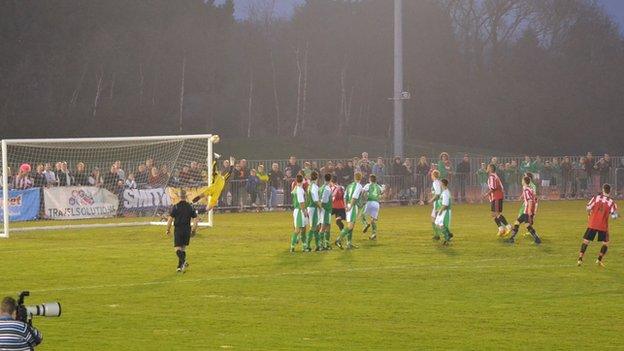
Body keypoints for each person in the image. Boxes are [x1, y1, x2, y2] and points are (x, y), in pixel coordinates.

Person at [577, 184, 618, 268]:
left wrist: (589, 213)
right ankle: (599, 260)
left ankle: (580, 259)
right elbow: (614, 217)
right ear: (610, 191)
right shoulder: (612, 202)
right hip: (603, 225)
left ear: (603, 190)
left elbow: (588, 207)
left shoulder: (596, 198)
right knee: (606, 243)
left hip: (593, 223)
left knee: (586, 241)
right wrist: (616, 212)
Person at [165, 190, 199, 273]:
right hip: (187, 229)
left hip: (178, 229)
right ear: (186, 196)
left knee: (177, 248)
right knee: (183, 249)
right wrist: (194, 229)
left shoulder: (176, 207)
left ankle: (184, 261)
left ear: (179, 197)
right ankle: (179, 267)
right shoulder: (189, 206)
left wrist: (167, 229)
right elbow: (195, 218)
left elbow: (170, 219)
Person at [506, 176, 542, 244]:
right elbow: (534, 198)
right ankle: (536, 239)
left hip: (527, 211)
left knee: (523, 224)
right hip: (528, 211)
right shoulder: (529, 189)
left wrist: (529, 211)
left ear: (524, 182)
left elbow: (530, 200)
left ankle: (512, 239)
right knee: (522, 224)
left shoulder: (526, 190)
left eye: (522, 180)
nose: (521, 181)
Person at [335, 172, 363, 249]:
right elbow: (354, 197)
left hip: (348, 205)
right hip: (352, 206)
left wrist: (345, 206)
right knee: (350, 226)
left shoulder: (349, 186)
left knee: (351, 225)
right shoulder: (359, 186)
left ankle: (349, 243)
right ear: (361, 178)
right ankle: (338, 240)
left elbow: (345, 197)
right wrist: (351, 206)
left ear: (354, 178)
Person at [483, 164, 511, 237]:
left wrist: (486, 194)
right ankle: (501, 229)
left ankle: (508, 227)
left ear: (491, 169)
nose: (487, 168)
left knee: (497, 214)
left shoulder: (492, 176)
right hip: (496, 196)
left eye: (488, 167)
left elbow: (493, 188)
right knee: (493, 214)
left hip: (496, 196)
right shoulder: (494, 176)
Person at [361, 174, 384, 240]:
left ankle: (365, 224)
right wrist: (379, 196)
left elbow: (363, 192)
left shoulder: (368, 185)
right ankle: (374, 234)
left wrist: (363, 199)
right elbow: (382, 193)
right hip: (376, 203)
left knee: (362, 215)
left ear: (370, 179)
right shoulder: (379, 186)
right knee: (373, 219)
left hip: (369, 202)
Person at [289, 174, 308, 252]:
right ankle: (292, 247)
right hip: (300, 211)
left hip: (297, 210)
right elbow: (301, 202)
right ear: (302, 180)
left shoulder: (296, 188)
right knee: (298, 230)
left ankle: (304, 246)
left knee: (303, 229)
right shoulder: (299, 189)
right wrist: (304, 211)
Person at [304, 171, 321, 252]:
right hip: (313, 208)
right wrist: (321, 207)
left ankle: (318, 245)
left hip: (311, 208)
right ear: (317, 177)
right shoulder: (314, 187)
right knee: (313, 227)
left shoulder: (310, 186)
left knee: (316, 226)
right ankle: (307, 246)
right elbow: (316, 199)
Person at [434, 178, 453, 245]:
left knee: (441, 225)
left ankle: (447, 237)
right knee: (437, 223)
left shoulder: (445, 193)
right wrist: (439, 210)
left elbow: (445, 204)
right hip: (443, 210)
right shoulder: (444, 191)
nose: (439, 184)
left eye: (440, 183)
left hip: (445, 211)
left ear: (443, 184)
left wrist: (440, 211)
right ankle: (448, 234)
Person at [318, 173, 333, 250]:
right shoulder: (327, 188)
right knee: (323, 227)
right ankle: (321, 245)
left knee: (328, 226)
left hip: (324, 209)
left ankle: (327, 244)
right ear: (330, 179)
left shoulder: (321, 188)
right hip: (326, 209)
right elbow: (324, 200)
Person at [429, 170, 443, 241]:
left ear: (433, 175)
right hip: (437, 203)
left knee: (437, 221)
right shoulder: (438, 182)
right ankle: (437, 235)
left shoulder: (435, 182)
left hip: (438, 203)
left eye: (431, 175)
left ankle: (446, 234)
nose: (431, 176)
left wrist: (431, 200)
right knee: (433, 219)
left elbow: (437, 194)